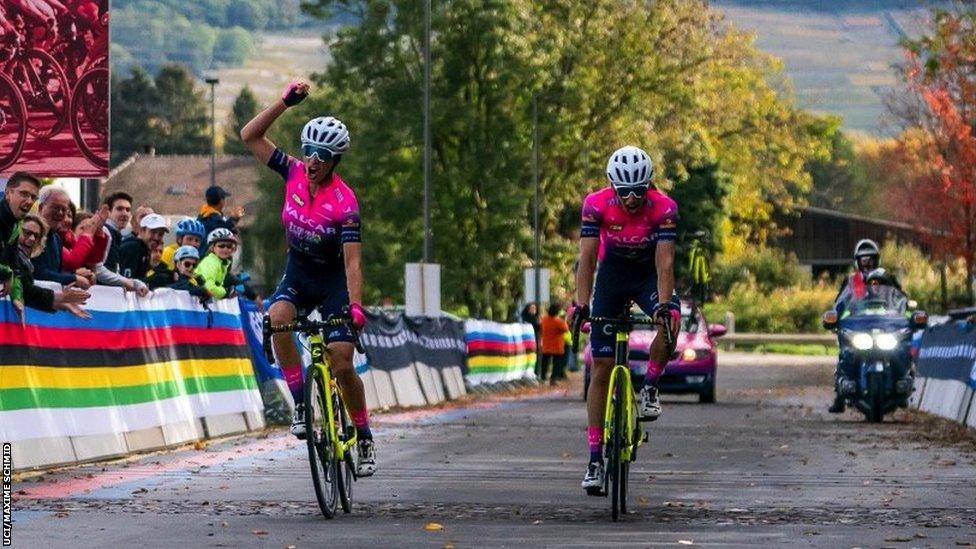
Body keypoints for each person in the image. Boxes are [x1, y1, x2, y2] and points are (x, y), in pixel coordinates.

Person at [240, 79, 374, 476]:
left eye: (323, 155)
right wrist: (284, 103)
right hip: (298, 272)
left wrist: (354, 306)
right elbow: (250, 135)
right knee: (277, 319)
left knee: (343, 364)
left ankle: (364, 437)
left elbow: (353, 264)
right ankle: (301, 402)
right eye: (309, 151)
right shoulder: (293, 172)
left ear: (336, 160)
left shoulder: (345, 203)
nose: (313, 160)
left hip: (333, 282)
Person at [571, 145, 680, 493]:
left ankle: (650, 386)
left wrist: (664, 307)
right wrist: (581, 304)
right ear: (612, 186)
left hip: (647, 275)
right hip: (612, 276)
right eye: (624, 191)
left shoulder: (664, 208)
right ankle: (594, 459)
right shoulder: (596, 204)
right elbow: (587, 260)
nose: (632, 198)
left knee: (671, 319)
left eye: (639, 190)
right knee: (600, 365)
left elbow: (665, 264)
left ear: (649, 184)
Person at [0, 172, 89, 319]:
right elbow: (14, 272)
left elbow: (20, 277)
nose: (29, 201)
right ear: (8, 192)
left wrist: (54, 299)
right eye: (24, 194)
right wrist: (7, 274)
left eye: (33, 197)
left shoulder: (14, 227)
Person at [828, 239, 901, 413]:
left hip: (884, 325)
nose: (867, 263)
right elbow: (841, 301)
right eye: (863, 259)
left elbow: (900, 299)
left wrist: (909, 315)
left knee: (900, 352)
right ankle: (840, 395)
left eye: (870, 259)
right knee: (847, 355)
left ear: (877, 259)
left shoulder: (886, 278)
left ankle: (901, 385)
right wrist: (834, 315)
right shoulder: (853, 281)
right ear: (857, 261)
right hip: (859, 326)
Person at [32, 186, 91, 288]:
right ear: (41, 207)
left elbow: (55, 273)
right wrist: (73, 278)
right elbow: (37, 272)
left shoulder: (56, 238)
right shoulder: (31, 234)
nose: (60, 213)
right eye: (55, 207)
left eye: (64, 209)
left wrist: (77, 275)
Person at [96, 191, 149, 296]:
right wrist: (127, 282)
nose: (125, 213)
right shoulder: (105, 232)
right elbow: (97, 270)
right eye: (119, 209)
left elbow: (112, 270)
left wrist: (134, 283)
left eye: (128, 210)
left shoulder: (115, 234)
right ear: (108, 212)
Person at [118, 213, 168, 281]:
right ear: (142, 230)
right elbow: (126, 282)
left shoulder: (144, 249)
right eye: (153, 232)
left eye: (160, 234)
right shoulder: (132, 248)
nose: (156, 237)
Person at [195, 228, 238, 299]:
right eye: (221, 246)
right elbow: (209, 287)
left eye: (229, 246)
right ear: (212, 248)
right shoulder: (211, 263)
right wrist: (225, 293)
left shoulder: (222, 263)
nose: (225, 249)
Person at [539, 303, 569, 384]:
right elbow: (566, 329)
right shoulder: (558, 321)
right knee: (557, 364)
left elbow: (540, 329)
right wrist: (564, 320)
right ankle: (553, 379)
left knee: (544, 363)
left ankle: (542, 378)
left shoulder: (544, 319)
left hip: (546, 344)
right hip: (557, 345)